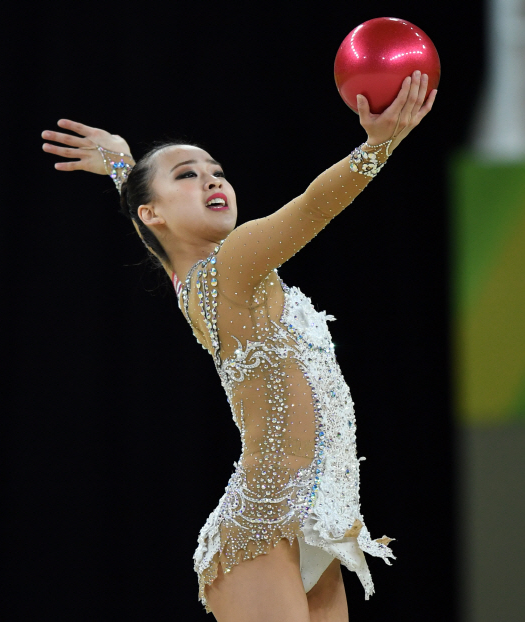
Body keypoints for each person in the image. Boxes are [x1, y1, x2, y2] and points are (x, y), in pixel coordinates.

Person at [42, 71, 436, 622]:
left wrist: (121, 166)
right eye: (187, 175)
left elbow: (154, 227)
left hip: (315, 526)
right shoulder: (234, 262)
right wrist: (380, 143)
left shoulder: (192, 277)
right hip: (261, 532)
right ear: (151, 213)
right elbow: (314, 206)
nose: (212, 181)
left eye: (217, 172)